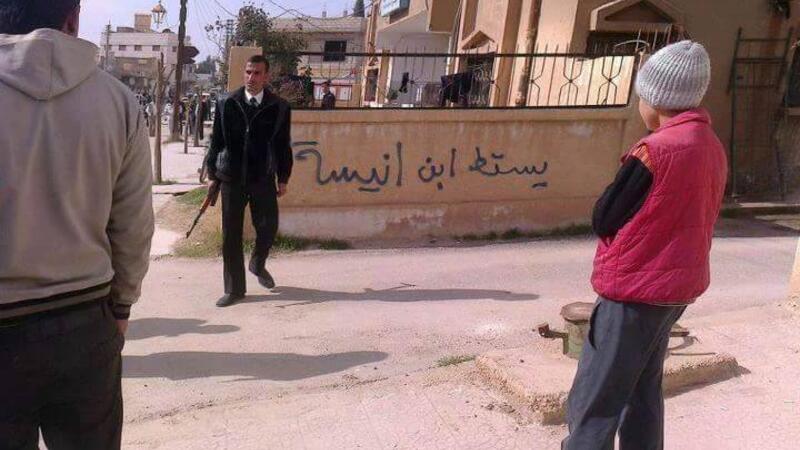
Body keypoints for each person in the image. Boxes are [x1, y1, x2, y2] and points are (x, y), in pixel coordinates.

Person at [0, 1, 154, 448]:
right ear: (73, 19)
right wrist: (121, 307)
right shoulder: (118, 101)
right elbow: (133, 224)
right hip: (85, 323)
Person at [562, 41, 727, 450]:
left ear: (655, 100)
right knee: (642, 391)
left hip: (635, 292)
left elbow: (605, 217)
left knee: (596, 399)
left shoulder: (655, 150)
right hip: (675, 292)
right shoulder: (711, 145)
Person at [205, 55, 293, 307]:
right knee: (231, 234)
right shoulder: (227, 102)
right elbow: (216, 141)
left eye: (257, 73)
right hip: (231, 177)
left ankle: (257, 262)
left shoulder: (279, 107)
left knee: (268, 226)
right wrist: (212, 175)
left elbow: (282, 145)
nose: (251, 77)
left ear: (266, 76)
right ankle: (234, 289)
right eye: (248, 72)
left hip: (262, 177)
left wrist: (283, 177)